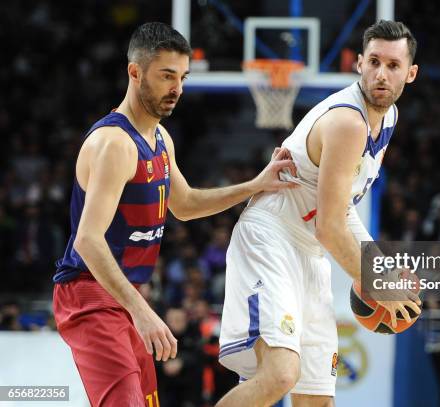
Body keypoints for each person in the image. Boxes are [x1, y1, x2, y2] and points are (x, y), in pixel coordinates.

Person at [52, 22, 297, 407]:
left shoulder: (161, 139)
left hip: (125, 294)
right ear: (135, 72)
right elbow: (87, 239)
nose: (177, 89)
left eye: (182, 77)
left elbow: (183, 204)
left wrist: (254, 185)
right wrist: (142, 312)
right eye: (167, 76)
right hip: (89, 295)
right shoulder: (114, 144)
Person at [218, 20, 421, 407]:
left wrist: (380, 269)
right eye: (374, 61)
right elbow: (331, 228)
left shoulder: (388, 120)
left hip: (308, 250)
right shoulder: (348, 121)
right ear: (358, 64)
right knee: (280, 374)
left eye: (393, 66)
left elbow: (341, 212)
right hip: (271, 237)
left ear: (410, 74)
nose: (381, 73)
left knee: (317, 399)